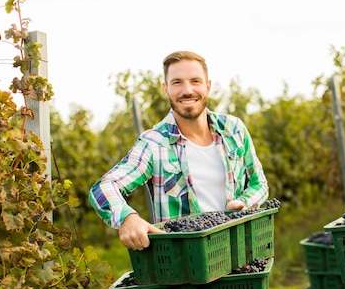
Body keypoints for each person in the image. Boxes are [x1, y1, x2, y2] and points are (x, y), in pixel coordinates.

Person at [89, 51, 269, 251]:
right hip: (185, 263)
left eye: (195, 81)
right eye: (177, 83)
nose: (187, 90)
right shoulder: (154, 143)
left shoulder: (233, 130)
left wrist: (244, 203)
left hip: (237, 253)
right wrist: (127, 218)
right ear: (165, 89)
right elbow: (103, 188)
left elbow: (258, 183)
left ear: (208, 86)